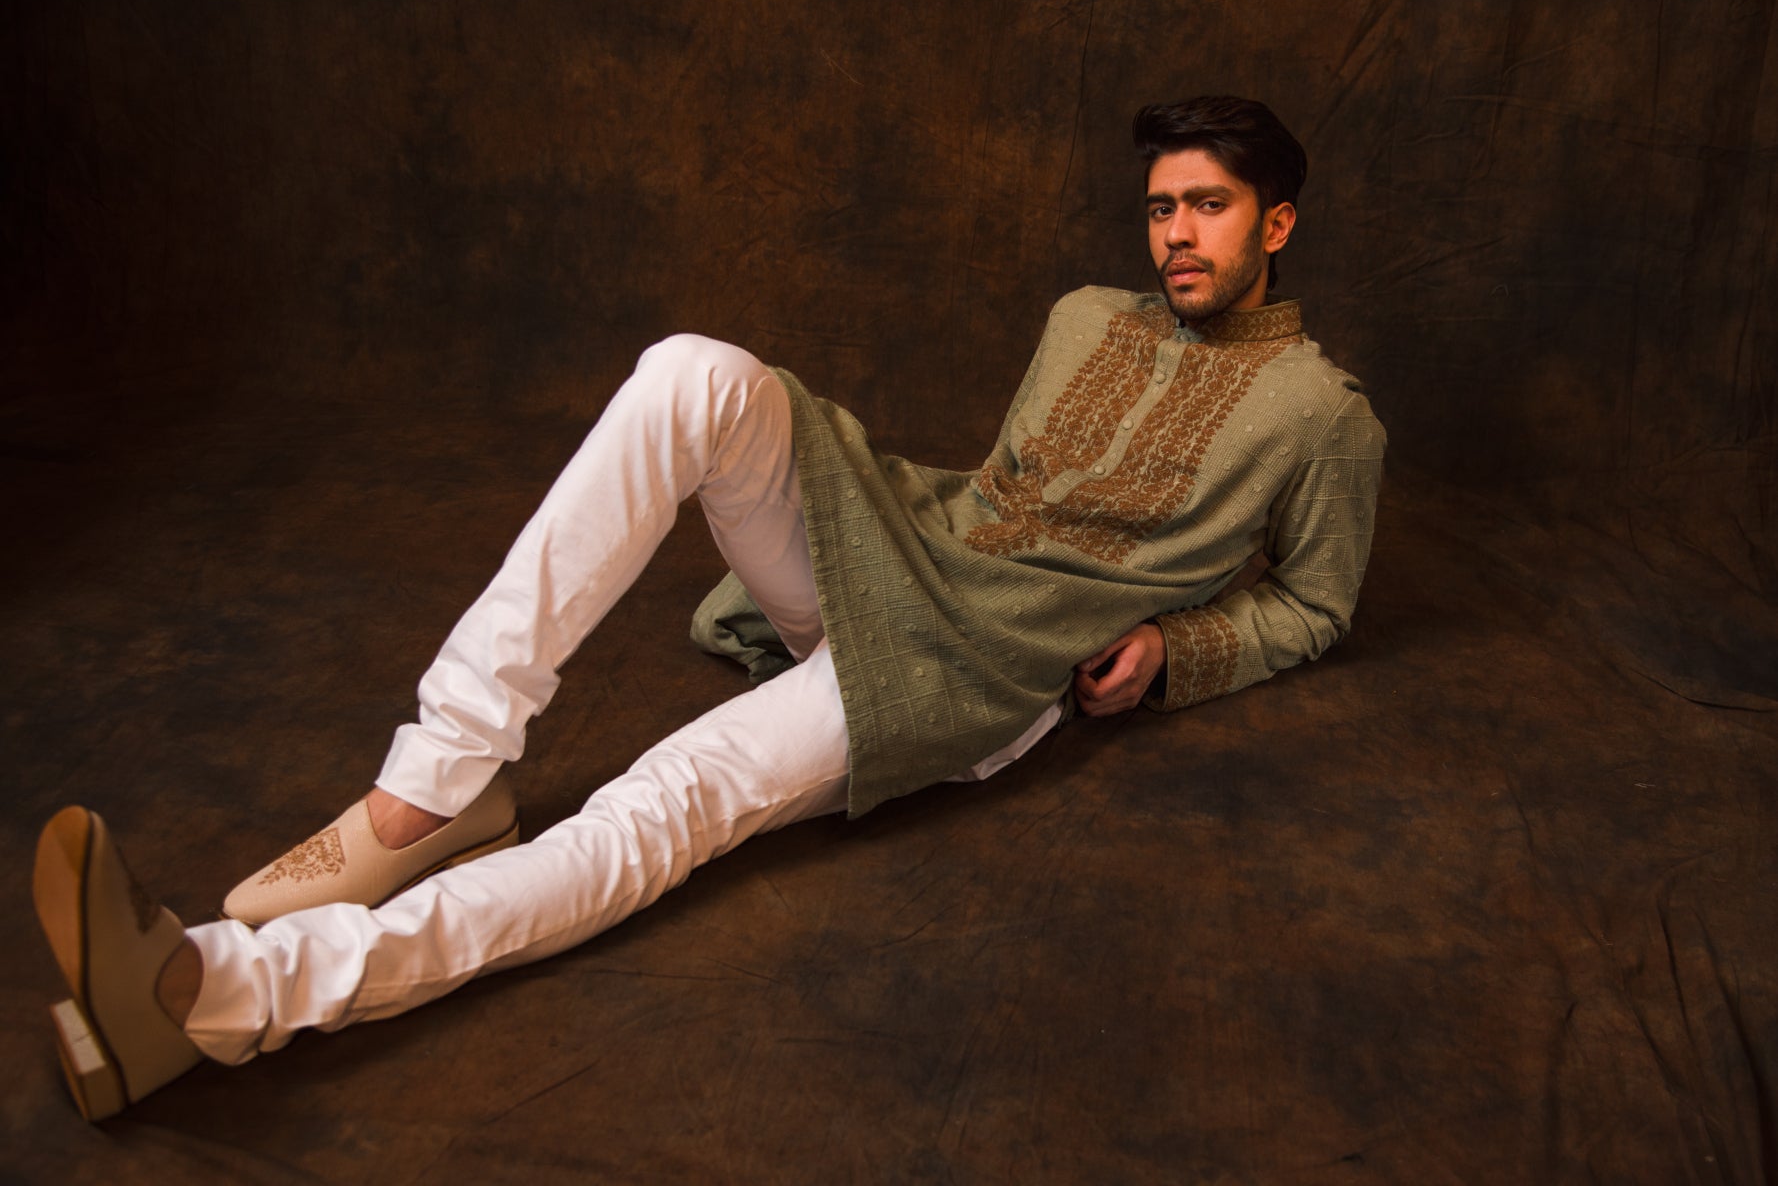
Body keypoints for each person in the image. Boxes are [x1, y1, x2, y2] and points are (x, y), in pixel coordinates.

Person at [32, 97, 1385, 1120]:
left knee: (662, 804)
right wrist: (898, 530)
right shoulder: (1086, 314)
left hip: (977, 669)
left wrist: (1170, 647)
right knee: (695, 374)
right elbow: (1004, 494)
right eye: (1160, 207)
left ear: (1274, 224)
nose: (1175, 235)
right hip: (912, 553)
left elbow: (1315, 605)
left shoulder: (1322, 415)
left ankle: (214, 996)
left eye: (1208, 207)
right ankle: (438, 777)